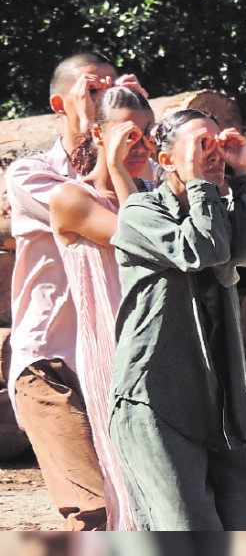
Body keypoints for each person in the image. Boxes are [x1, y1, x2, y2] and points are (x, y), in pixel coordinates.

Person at [108, 109, 246, 530]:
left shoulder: (220, 206)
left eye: (217, 144)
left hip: (224, 401)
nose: (213, 153)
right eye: (201, 145)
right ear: (165, 162)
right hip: (159, 403)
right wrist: (201, 183)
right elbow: (200, 250)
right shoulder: (139, 214)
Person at [6, 51, 147, 530]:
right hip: (51, 364)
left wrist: (141, 129)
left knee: (141, 504)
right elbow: (100, 213)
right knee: (94, 511)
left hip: (120, 361)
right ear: (58, 104)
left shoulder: (141, 172)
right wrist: (113, 144)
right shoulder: (30, 175)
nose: (105, 97)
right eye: (93, 90)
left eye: (114, 88)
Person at [48, 86, 155, 531]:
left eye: (149, 134)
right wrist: (113, 166)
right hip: (113, 353)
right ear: (98, 133)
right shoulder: (72, 199)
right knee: (132, 476)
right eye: (129, 134)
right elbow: (143, 239)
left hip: (166, 342)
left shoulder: (155, 192)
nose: (141, 145)